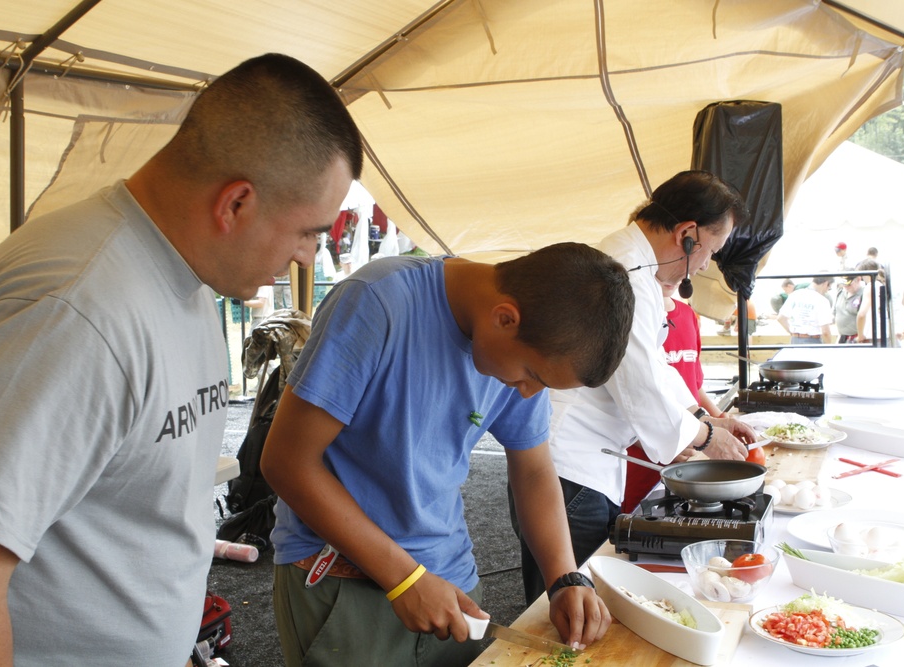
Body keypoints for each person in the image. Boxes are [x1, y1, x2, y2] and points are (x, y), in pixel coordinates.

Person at [0, 53, 363, 666]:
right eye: (308, 230)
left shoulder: (188, 272)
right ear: (236, 205)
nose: (309, 257)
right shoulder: (75, 310)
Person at [261, 243, 634, 667]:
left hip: (451, 584)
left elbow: (533, 470)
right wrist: (404, 579)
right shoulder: (376, 302)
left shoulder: (525, 345)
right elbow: (287, 463)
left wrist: (566, 577)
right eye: (533, 376)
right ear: (505, 318)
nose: (531, 393)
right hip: (342, 583)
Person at [511, 171, 758, 603]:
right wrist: (707, 437)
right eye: (711, 252)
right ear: (687, 234)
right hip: (568, 468)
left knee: (585, 601)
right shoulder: (624, 270)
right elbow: (640, 380)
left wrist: (704, 417)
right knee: (566, 605)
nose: (704, 266)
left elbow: (656, 367)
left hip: (586, 464)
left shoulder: (635, 265)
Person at [621, 282, 727, 513]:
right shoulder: (632, 320)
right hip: (641, 457)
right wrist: (664, 441)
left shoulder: (688, 315)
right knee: (638, 515)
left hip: (692, 441)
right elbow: (628, 399)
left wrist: (718, 418)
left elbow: (694, 385)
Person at [854, 259, 904, 346]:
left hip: (875, 338)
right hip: (894, 337)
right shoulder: (897, 289)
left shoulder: (871, 287)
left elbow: (862, 314)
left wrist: (860, 335)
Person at [777, 276, 835, 344]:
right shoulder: (822, 301)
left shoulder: (795, 294)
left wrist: (792, 332)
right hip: (812, 341)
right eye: (829, 288)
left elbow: (780, 318)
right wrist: (828, 347)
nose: (827, 291)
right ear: (826, 284)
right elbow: (825, 332)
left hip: (794, 340)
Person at [833, 275, 863, 343]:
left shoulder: (863, 294)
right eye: (844, 284)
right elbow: (835, 313)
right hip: (842, 337)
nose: (846, 287)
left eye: (849, 284)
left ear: (858, 279)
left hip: (856, 338)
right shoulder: (840, 293)